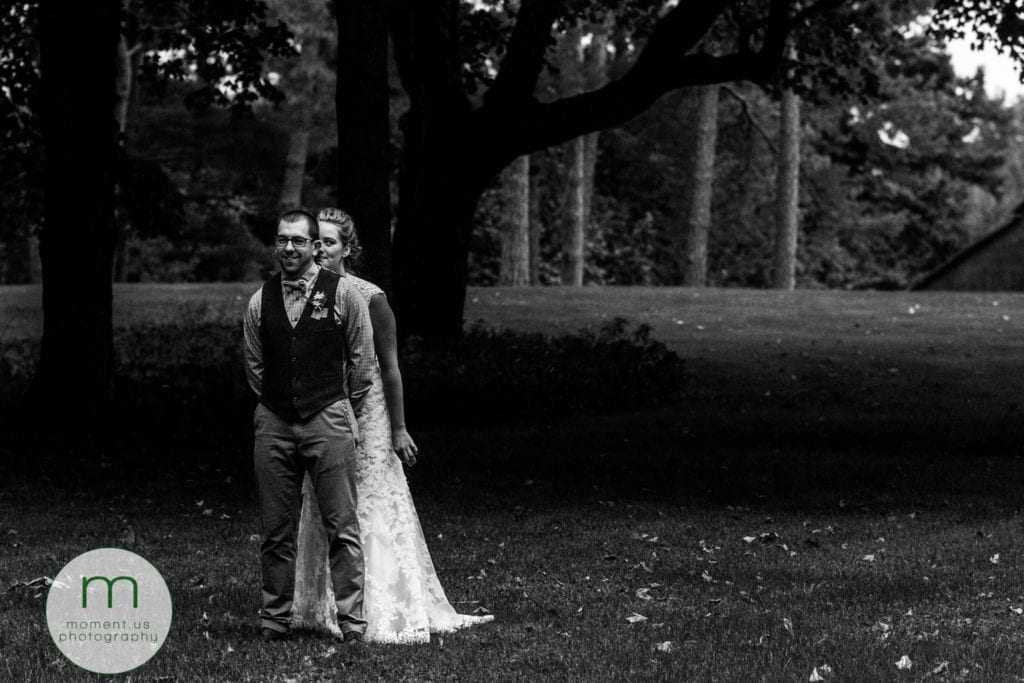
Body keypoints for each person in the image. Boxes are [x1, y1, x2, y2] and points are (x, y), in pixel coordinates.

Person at [290, 207, 494, 643]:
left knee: (371, 498)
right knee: (324, 496)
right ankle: (321, 604)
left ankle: (381, 605)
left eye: (330, 242)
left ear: (347, 248)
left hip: (371, 411)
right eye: (316, 241)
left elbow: (391, 368)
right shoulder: (301, 296)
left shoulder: (370, 297)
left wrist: (398, 429)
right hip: (324, 409)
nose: (321, 250)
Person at [242, 209, 376, 643]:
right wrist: (281, 401)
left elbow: (361, 361)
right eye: (282, 240)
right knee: (276, 529)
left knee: (342, 527)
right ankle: (274, 619)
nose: (289, 248)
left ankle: (353, 622)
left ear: (315, 244)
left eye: (299, 241)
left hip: (328, 419)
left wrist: (337, 406)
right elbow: (255, 365)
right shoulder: (260, 299)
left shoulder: (345, 294)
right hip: (274, 422)